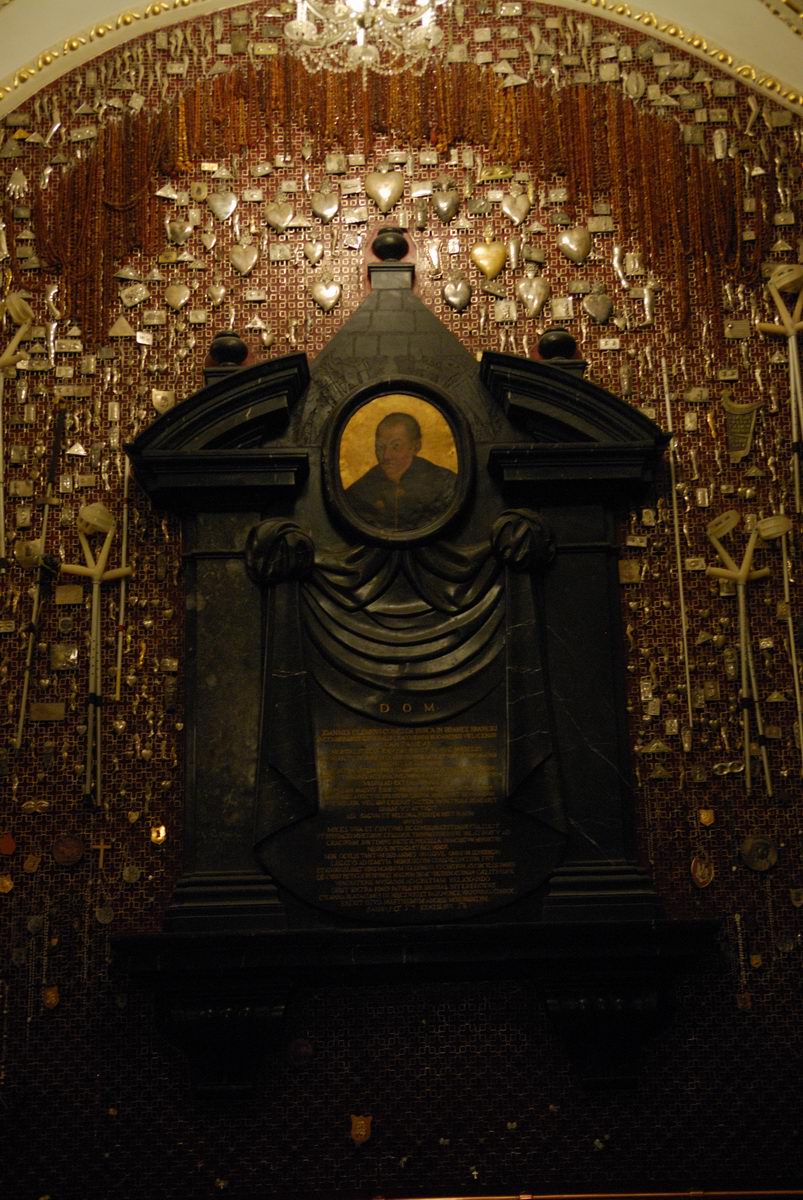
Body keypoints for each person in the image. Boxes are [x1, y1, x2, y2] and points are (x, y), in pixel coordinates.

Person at [345, 412, 457, 531]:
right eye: (380, 447)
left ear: (415, 447)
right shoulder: (359, 492)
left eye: (396, 446)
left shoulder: (444, 483)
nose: (386, 456)